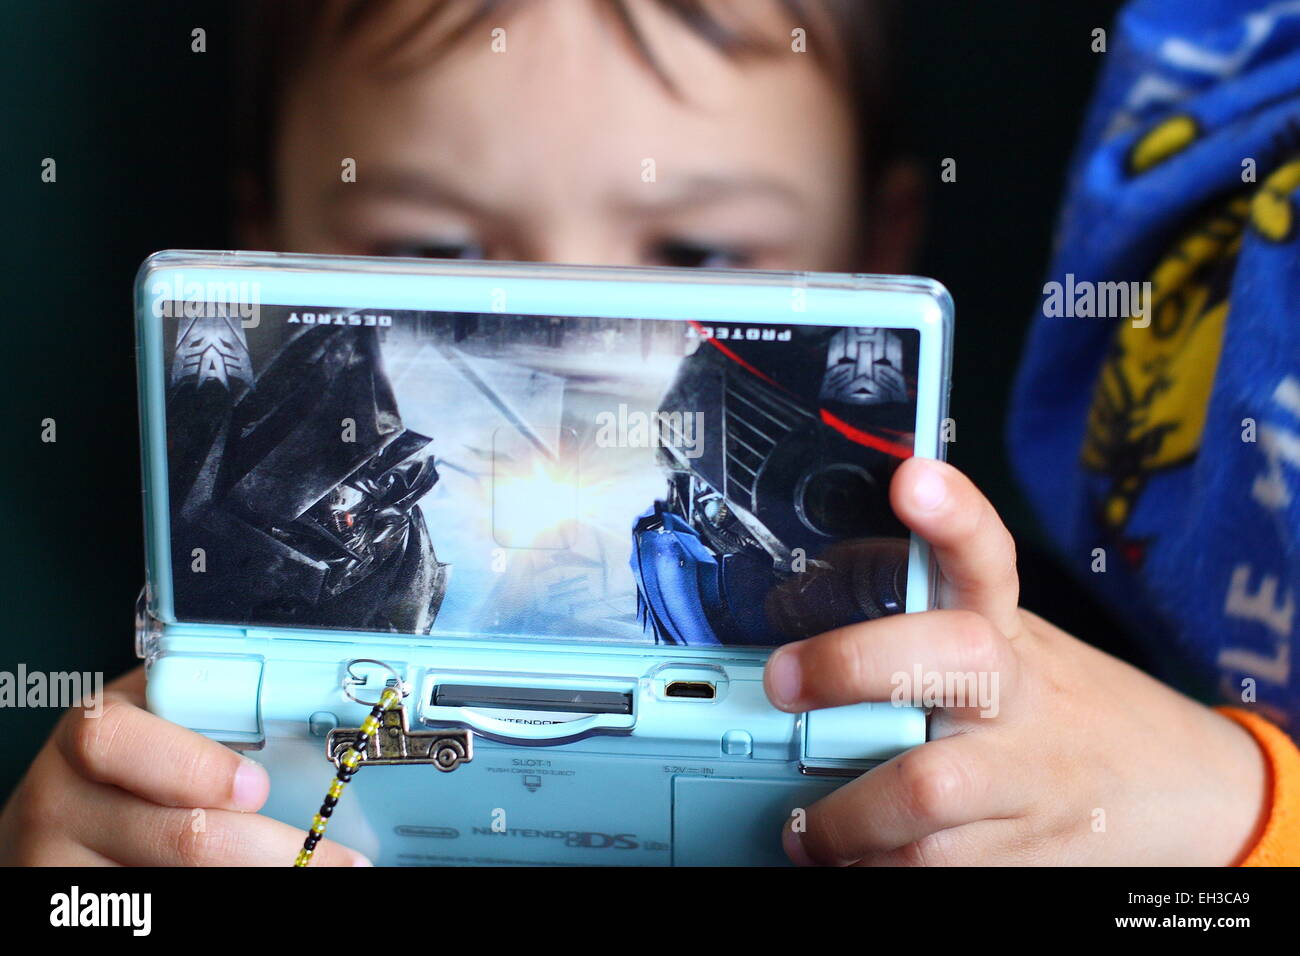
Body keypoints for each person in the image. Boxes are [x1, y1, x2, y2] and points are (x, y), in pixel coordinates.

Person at [1, 0, 1295, 866]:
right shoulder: (201, 728)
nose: (576, 332)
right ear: (263, 247)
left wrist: (1222, 808)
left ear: (876, 253)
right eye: (435, 252)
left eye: (699, 254)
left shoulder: (1004, 715)